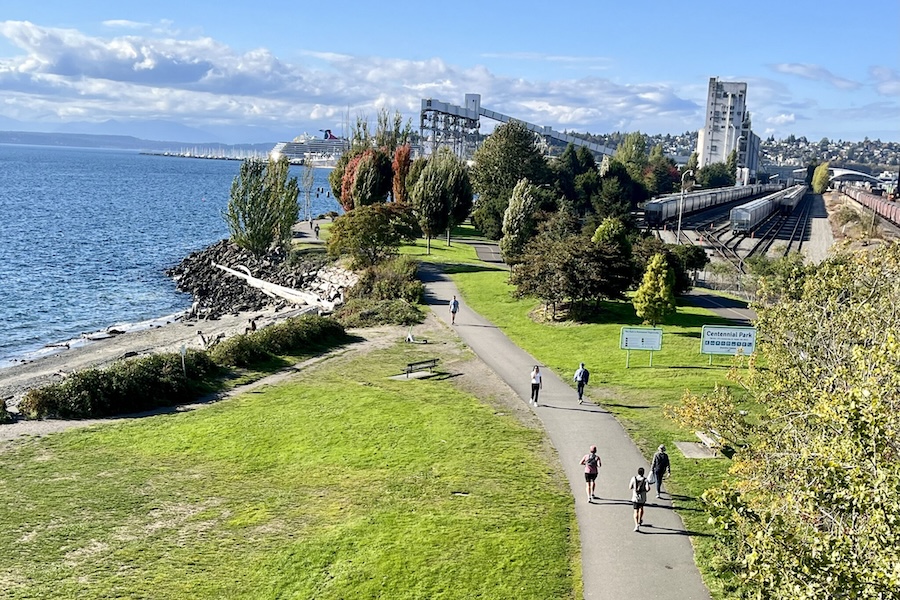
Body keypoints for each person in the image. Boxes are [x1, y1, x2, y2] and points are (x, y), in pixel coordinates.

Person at [629, 467, 650, 532]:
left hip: (635, 497)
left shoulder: (634, 478)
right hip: (642, 497)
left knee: (635, 511)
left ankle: (636, 525)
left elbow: (630, 487)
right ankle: (639, 520)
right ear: (643, 473)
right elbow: (647, 489)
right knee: (641, 508)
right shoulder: (645, 480)